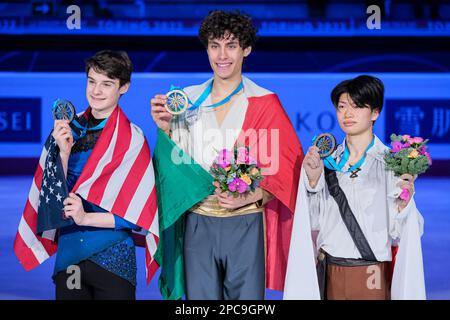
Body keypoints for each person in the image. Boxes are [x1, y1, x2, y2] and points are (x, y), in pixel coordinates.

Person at [151, 10, 304, 300]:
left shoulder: (264, 102)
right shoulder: (185, 100)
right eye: (214, 45)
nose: (222, 55)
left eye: (231, 45)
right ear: (206, 49)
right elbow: (171, 170)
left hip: (246, 221)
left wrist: (254, 196)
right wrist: (165, 131)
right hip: (197, 221)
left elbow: (286, 170)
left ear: (246, 49)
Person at [14, 50, 159, 300]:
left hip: (114, 259)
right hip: (70, 256)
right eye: (92, 81)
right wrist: (63, 153)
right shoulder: (65, 132)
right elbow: (50, 202)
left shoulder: (133, 140)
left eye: (107, 84)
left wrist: (85, 217)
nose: (96, 91)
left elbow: (138, 217)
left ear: (124, 87)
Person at [284, 75, 426, 300]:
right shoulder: (325, 161)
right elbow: (311, 222)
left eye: (358, 106)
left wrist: (404, 205)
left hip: (370, 275)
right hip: (329, 272)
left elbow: (410, 231)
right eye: (342, 107)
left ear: (375, 113)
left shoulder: (391, 164)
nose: (348, 114)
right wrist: (312, 182)